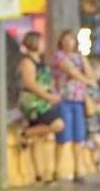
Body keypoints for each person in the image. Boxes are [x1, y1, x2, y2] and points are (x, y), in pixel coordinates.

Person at [15, 30, 66, 182]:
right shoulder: (27, 62)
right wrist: (47, 96)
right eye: (42, 41)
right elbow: (30, 83)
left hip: (44, 100)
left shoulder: (40, 62)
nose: (44, 44)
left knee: (40, 137)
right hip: (34, 102)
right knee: (58, 124)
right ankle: (26, 133)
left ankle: (40, 173)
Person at [50, 30, 90, 184]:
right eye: (65, 40)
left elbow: (91, 74)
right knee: (63, 137)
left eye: (71, 40)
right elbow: (71, 72)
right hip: (64, 99)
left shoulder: (79, 57)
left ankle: (78, 170)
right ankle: (56, 170)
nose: (68, 43)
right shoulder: (59, 56)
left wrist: (84, 58)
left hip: (78, 100)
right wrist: (87, 81)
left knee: (78, 137)